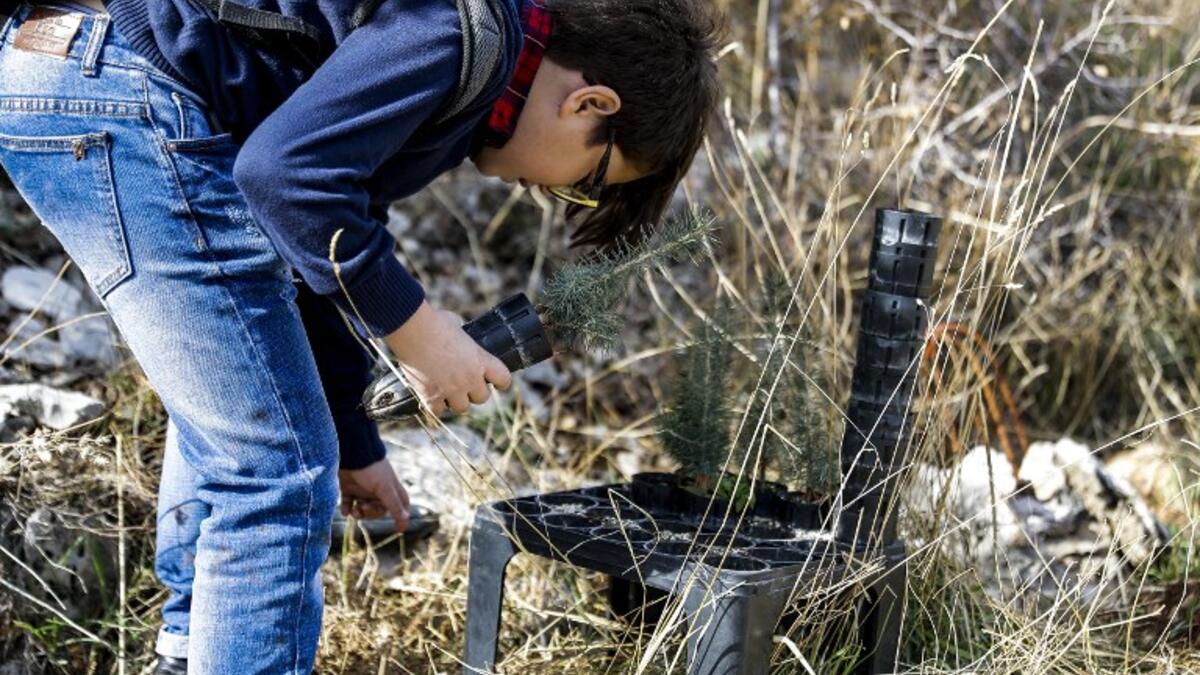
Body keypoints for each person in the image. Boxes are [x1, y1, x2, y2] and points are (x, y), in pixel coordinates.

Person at [0, 0, 721, 671]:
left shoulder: (463, 67)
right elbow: (284, 178)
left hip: (77, 68)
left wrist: (355, 441)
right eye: (585, 183)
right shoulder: (458, 33)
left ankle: (191, 651)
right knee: (273, 471)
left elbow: (310, 248)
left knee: (249, 425)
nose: (550, 192)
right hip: (123, 88)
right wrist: (421, 333)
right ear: (589, 104)